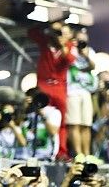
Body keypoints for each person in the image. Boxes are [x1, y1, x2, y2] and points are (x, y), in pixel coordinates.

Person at [28, 22, 75, 159]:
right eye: (59, 32)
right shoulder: (46, 42)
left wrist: (62, 45)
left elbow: (69, 60)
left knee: (61, 122)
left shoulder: (70, 46)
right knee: (40, 115)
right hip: (44, 85)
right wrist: (48, 28)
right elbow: (31, 32)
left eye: (64, 33)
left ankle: (61, 151)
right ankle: (39, 148)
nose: (61, 35)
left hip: (59, 87)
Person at [66, 28, 96, 157]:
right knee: (74, 123)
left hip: (86, 91)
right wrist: (75, 49)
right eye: (79, 40)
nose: (82, 42)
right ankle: (79, 154)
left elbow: (93, 66)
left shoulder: (90, 52)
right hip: (72, 91)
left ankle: (87, 154)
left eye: (84, 40)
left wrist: (85, 55)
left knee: (86, 124)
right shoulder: (70, 50)